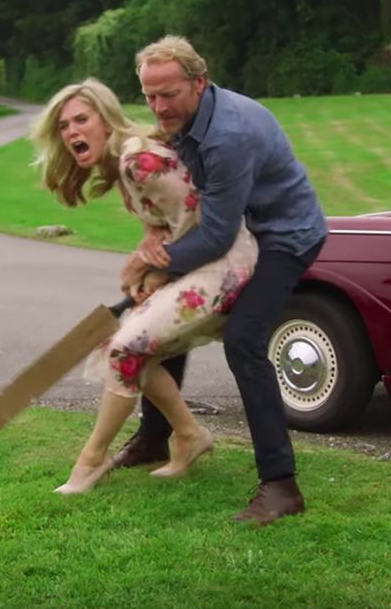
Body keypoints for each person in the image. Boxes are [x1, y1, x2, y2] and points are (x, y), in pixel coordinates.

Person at [118, 36, 328, 525]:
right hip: (241, 235)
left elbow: (213, 237)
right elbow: (179, 197)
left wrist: (153, 265)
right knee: (171, 314)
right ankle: (154, 438)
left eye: (168, 94)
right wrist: (155, 240)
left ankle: (281, 486)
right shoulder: (185, 121)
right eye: (149, 95)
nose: (158, 107)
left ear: (199, 82)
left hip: (284, 237)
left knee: (244, 340)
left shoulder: (227, 135)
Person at [31, 78, 257, 495]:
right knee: (124, 344)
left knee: (125, 347)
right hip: (196, 266)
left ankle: (92, 460)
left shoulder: (137, 161)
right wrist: (147, 248)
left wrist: (153, 272)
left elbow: (204, 226)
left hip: (225, 264)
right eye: (64, 127)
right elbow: (166, 221)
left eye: (82, 119)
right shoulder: (126, 166)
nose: (73, 132)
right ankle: (189, 435)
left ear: (106, 119)